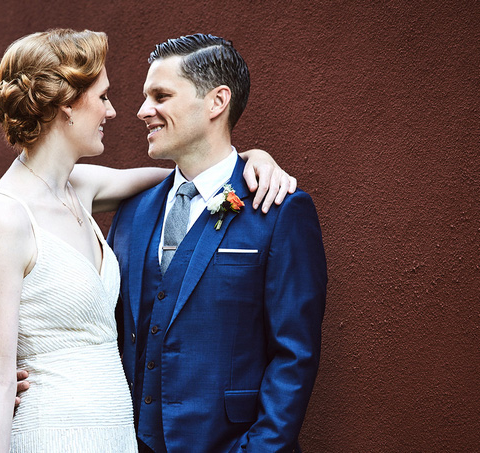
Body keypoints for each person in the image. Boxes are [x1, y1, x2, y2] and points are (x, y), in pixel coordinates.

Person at [0, 29, 296, 453]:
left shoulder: (81, 186)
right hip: (54, 430)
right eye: (103, 97)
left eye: (158, 97)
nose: (116, 111)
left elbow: (195, 180)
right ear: (67, 104)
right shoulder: (4, 214)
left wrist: (255, 159)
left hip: (117, 436)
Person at [107, 34, 327, 452]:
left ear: (216, 101)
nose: (142, 111)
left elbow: (294, 355)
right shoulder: (131, 211)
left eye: (161, 95)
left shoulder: (278, 209)